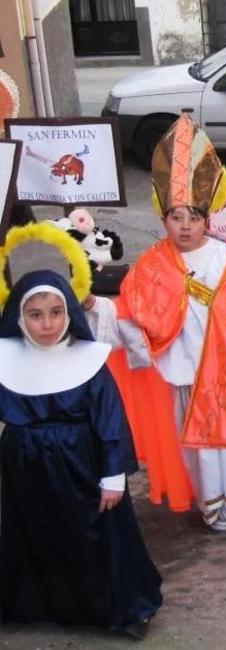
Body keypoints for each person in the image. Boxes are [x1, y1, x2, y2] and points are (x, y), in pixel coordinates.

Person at [89, 115, 226, 525]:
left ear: (206, 218)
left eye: (193, 218)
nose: (186, 227)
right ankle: (215, 506)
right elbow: (133, 312)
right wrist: (93, 307)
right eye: (177, 218)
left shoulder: (224, 255)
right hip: (185, 370)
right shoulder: (153, 262)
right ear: (164, 219)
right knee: (197, 445)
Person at [0, 264, 161, 638]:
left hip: (82, 465)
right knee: (32, 534)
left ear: (69, 313)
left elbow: (110, 424)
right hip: (24, 469)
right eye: (35, 315)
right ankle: (32, 603)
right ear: (19, 317)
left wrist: (113, 476)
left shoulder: (89, 363)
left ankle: (123, 607)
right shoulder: (6, 360)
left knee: (99, 536)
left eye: (56, 313)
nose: (47, 324)